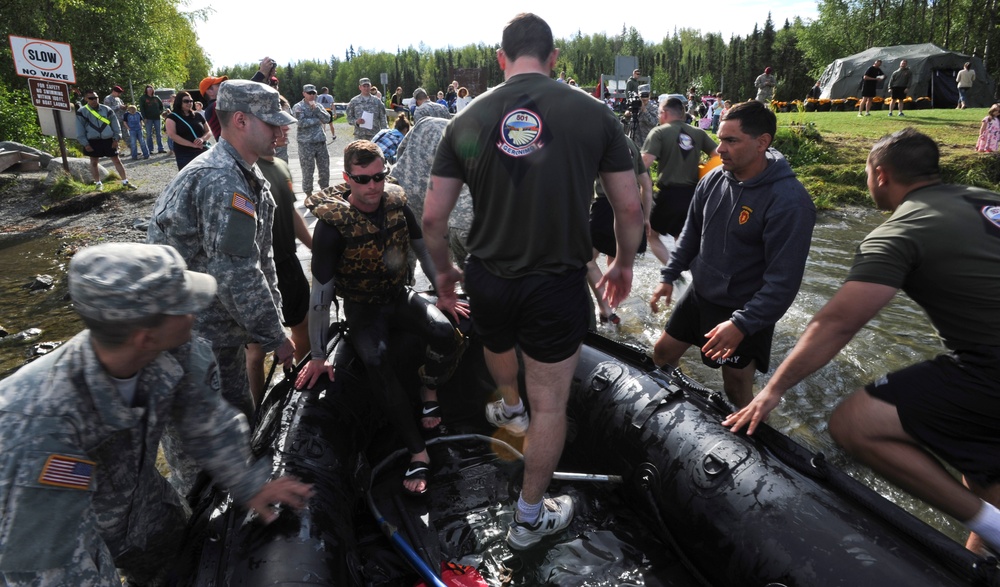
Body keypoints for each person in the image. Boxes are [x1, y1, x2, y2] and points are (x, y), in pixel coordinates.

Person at [422, 13, 644, 550]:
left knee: (497, 343)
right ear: (554, 57)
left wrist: (445, 271)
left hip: (488, 275)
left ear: (502, 58)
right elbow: (629, 207)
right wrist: (623, 264)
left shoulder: (467, 118)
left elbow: (432, 219)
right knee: (552, 407)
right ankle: (527, 516)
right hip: (556, 283)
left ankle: (508, 404)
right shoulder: (595, 116)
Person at [724, 128, 1000, 557]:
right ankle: (979, 559)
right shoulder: (984, 199)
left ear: (881, 174)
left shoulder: (900, 230)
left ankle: (992, 529)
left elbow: (837, 323)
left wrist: (771, 392)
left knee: (854, 423)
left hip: (989, 366)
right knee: (982, 474)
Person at [0, 242, 313, 587]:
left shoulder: (177, 349)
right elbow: (46, 566)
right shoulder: (35, 427)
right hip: (66, 529)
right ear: (144, 337)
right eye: (183, 307)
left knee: (182, 565)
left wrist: (249, 483)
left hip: (146, 504)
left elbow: (207, 421)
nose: (195, 312)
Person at [295, 140, 466, 496]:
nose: (372, 186)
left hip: (398, 295)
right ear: (347, 178)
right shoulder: (332, 226)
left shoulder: (396, 204)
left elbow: (421, 249)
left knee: (445, 332)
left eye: (378, 176)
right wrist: (316, 354)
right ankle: (417, 451)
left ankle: (428, 388)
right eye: (362, 179)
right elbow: (321, 295)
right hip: (362, 305)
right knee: (375, 358)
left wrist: (445, 293)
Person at [148, 79, 297, 424]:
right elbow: (236, 274)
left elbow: (261, 258)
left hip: (213, 335)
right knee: (206, 452)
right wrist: (276, 336)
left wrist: (274, 324)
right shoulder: (221, 180)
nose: (281, 130)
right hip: (189, 341)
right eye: (272, 122)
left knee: (236, 426)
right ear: (241, 121)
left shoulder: (242, 172)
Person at [648, 100, 815, 408]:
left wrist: (742, 324)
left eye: (731, 140)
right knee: (663, 353)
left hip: (746, 307)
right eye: (720, 138)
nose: (719, 148)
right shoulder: (712, 179)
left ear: (762, 142)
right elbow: (691, 234)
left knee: (736, 385)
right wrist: (669, 276)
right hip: (702, 294)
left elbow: (783, 283)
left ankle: (752, 439)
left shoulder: (790, 203)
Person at [246, 132, 312, 405]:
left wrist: (314, 246)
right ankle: (257, 410)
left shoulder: (281, 166)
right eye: (277, 125)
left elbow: (291, 211)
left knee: (303, 329)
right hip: (258, 272)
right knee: (257, 351)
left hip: (288, 263)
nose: (284, 132)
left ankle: (301, 394)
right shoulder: (247, 168)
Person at [387, 116, 474, 271]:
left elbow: (401, 150)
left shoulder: (424, 122)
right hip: (443, 204)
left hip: (404, 190)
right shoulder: (469, 138)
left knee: (406, 246)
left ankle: (405, 283)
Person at [640, 97, 718, 264]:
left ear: (666, 113)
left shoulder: (659, 132)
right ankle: (690, 273)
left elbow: (645, 162)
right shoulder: (698, 133)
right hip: (693, 195)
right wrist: (704, 170)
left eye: (660, 112)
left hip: (669, 194)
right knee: (682, 236)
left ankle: (673, 270)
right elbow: (719, 156)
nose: (660, 116)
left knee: (651, 234)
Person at [588, 131, 653, 326]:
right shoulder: (629, 142)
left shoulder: (595, 137)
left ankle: (605, 309)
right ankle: (614, 308)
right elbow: (646, 185)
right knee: (615, 259)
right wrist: (646, 217)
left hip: (605, 206)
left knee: (584, 258)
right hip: (633, 208)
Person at [75, 90, 134, 191]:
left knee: (116, 160)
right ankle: (98, 184)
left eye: (96, 97)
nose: (94, 100)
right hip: (93, 140)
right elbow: (80, 129)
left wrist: (116, 139)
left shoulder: (106, 109)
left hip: (108, 139)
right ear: (86, 99)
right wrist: (85, 143)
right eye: (91, 98)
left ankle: (125, 182)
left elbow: (116, 125)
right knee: (94, 162)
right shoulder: (82, 112)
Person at [293, 84, 333, 196]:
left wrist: (317, 111)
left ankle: (324, 191)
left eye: (313, 93)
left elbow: (327, 119)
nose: (311, 95)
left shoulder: (318, 106)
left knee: (324, 169)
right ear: (304, 94)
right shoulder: (298, 107)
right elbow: (300, 123)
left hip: (320, 142)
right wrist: (316, 120)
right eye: (309, 93)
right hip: (306, 144)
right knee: (307, 171)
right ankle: (308, 194)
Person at [165, 90, 212, 170]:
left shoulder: (197, 115)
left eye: (191, 101)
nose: (189, 103)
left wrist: (202, 139)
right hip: (185, 153)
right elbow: (172, 135)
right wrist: (192, 145)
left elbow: (208, 131)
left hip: (201, 150)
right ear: (179, 102)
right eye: (186, 101)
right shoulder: (172, 117)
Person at [138, 84, 166, 154]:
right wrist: (144, 117)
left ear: (153, 90)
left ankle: (160, 148)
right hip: (148, 118)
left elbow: (162, 106)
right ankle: (150, 149)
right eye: (148, 89)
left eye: (151, 89)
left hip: (157, 118)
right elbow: (142, 108)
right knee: (149, 134)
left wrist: (160, 112)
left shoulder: (156, 98)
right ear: (146, 90)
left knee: (158, 133)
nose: (150, 90)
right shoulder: (143, 98)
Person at [200, 74, 229, 140]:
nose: (224, 87)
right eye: (219, 85)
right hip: (231, 148)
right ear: (210, 92)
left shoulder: (214, 106)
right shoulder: (215, 106)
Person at [103, 85, 129, 152]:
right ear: (114, 91)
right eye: (118, 92)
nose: (119, 94)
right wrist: (118, 107)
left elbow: (122, 107)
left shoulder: (118, 99)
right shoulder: (108, 99)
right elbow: (107, 110)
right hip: (114, 121)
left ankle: (133, 150)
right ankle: (117, 151)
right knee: (116, 136)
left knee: (127, 135)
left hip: (122, 119)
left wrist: (124, 108)